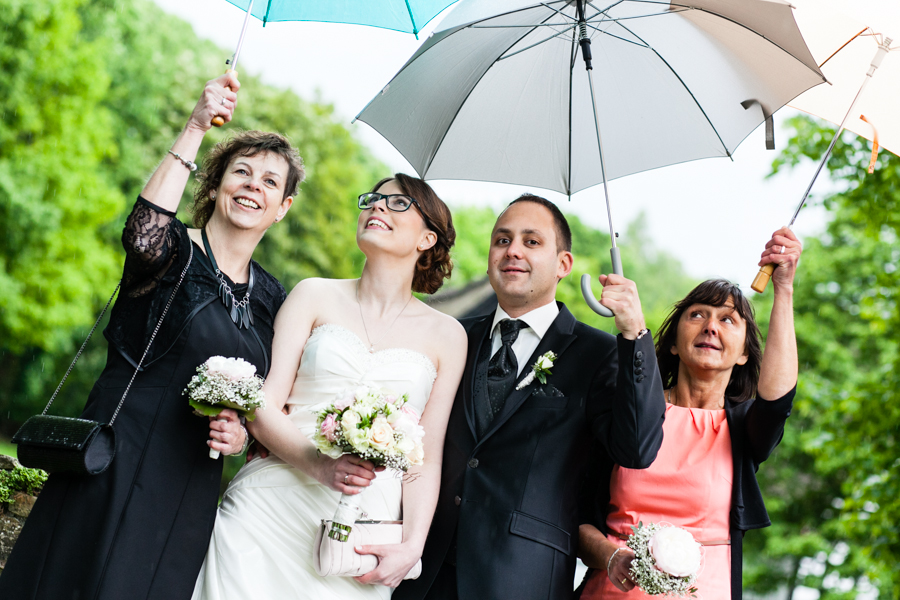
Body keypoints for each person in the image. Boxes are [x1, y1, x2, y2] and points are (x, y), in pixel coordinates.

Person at [0, 73, 303, 600]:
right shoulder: (170, 252)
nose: (253, 185)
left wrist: (243, 435)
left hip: (190, 483)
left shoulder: (274, 299)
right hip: (114, 455)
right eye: (242, 172)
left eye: (270, 182)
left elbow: (271, 398)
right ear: (214, 186)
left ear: (282, 209)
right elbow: (142, 229)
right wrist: (195, 125)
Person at [192, 173, 468, 599]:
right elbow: (264, 406)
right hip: (268, 505)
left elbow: (424, 460)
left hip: (358, 531)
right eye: (373, 199)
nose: (376, 207)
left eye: (397, 204)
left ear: (427, 239)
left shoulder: (448, 335)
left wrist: (412, 547)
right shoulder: (312, 295)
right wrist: (322, 466)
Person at [393, 195, 667, 600]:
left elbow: (638, 448)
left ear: (564, 265)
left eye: (531, 241)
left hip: (521, 578)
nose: (513, 251)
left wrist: (634, 335)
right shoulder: (453, 335)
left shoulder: (599, 355)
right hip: (420, 571)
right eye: (501, 240)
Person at [575, 228, 801, 600]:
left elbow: (777, 400)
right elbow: (580, 517)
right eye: (697, 315)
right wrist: (610, 554)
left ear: (744, 353)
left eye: (728, 320)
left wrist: (785, 289)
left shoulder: (743, 429)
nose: (711, 326)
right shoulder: (629, 413)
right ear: (675, 344)